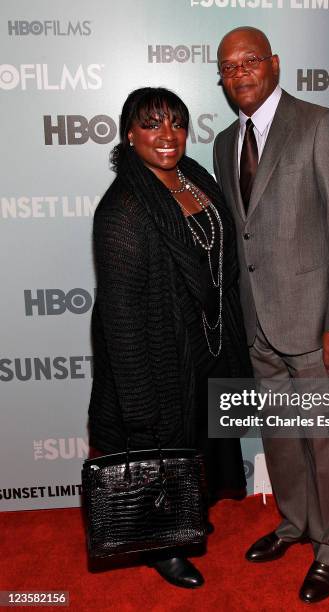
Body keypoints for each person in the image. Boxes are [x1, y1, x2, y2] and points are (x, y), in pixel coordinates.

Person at [213, 27, 329, 603]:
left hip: (317, 325)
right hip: (260, 325)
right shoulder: (225, 141)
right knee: (281, 437)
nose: (241, 73)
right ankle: (295, 523)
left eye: (251, 60)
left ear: (274, 64)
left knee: (328, 442)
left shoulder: (321, 125)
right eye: (228, 67)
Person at [88, 87, 251, 589]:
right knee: (163, 446)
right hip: (159, 358)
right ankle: (165, 547)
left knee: (198, 443)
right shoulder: (123, 209)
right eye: (152, 124)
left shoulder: (194, 177)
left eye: (176, 124)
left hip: (206, 344)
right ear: (129, 134)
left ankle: (190, 512)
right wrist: (139, 406)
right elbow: (120, 317)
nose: (166, 136)